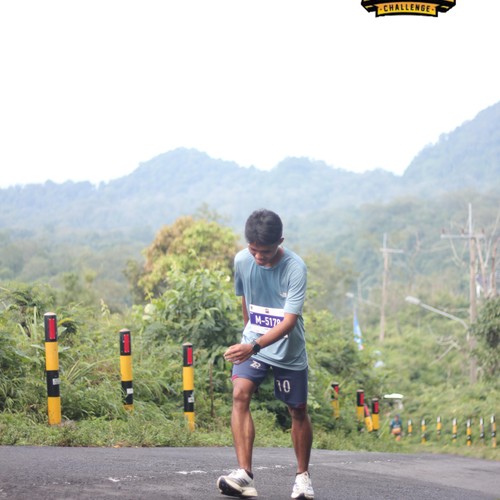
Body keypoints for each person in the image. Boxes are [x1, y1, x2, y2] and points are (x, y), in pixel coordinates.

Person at [217, 209, 314, 499]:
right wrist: (249, 336)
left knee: (297, 410)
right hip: (254, 343)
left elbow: (289, 321)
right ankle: (244, 474)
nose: (259, 257)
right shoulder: (242, 260)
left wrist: (254, 345)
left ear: (280, 242)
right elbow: (246, 298)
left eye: (266, 251)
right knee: (240, 394)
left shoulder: (295, 268)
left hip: (287, 350)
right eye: (254, 250)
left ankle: (302, 478)